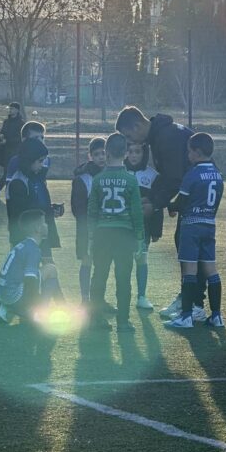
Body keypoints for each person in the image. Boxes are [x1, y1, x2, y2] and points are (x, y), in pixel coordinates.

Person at [115, 105, 197, 320]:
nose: (130, 139)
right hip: (193, 191)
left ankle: (193, 302)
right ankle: (191, 298)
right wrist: (158, 199)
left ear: (137, 125)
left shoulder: (165, 138)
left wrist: (156, 203)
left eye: (129, 134)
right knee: (185, 244)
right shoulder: (160, 134)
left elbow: (174, 178)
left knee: (188, 245)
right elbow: (169, 176)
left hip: (197, 192)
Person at [164, 132, 225, 330]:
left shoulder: (192, 174)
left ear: (197, 152)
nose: (188, 155)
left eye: (190, 151)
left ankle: (187, 316)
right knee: (211, 271)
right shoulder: (218, 174)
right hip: (209, 225)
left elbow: (180, 203)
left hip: (191, 226)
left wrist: (169, 206)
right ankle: (216, 316)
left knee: (189, 271)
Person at [87, 132, 145, 333]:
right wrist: (139, 238)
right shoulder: (130, 180)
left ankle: (96, 319)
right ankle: (123, 321)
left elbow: (92, 211)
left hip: (103, 233)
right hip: (124, 234)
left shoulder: (98, 179)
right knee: (123, 279)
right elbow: (137, 212)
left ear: (107, 152)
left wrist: (90, 236)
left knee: (99, 276)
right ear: (126, 153)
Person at [0, 210, 64, 325]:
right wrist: (32, 307)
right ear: (38, 228)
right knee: (51, 269)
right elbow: (30, 279)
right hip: (15, 296)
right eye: (44, 223)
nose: (47, 225)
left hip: (2, 294)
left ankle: (4, 307)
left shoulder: (22, 244)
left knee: (44, 271)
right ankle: (43, 312)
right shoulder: (33, 249)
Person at [124, 141, 163, 310]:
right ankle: (123, 296)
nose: (133, 155)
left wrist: (156, 230)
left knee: (141, 259)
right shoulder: (119, 172)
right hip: (122, 226)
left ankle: (141, 296)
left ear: (144, 153)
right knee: (123, 261)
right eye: (130, 151)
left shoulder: (152, 175)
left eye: (137, 152)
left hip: (143, 228)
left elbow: (157, 204)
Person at [7, 137, 61, 257]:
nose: (43, 165)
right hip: (28, 237)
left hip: (40, 233)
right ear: (29, 160)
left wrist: (51, 210)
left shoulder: (37, 178)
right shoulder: (18, 182)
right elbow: (21, 213)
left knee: (49, 267)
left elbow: (39, 203)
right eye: (40, 161)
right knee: (31, 270)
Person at [70, 137, 106, 305]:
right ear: (90, 156)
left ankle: (99, 299)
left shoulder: (111, 174)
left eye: (104, 153)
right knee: (87, 260)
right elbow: (78, 209)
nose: (101, 157)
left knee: (102, 265)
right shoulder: (82, 178)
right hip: (87, 229)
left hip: (106, 229)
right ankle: (85, 300)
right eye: (97, 154)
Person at [3, 121, 49, 199]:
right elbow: (9, 190)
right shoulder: (15, 161)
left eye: (42, 137)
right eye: (35, 138)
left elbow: (43, 185)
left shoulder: (47, 160)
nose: (40, 140)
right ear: (24, 140)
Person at [0, 102, 25, 197]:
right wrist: (0, 136)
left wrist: (8, 141)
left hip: (15, 150)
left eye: (13, 108)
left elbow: (20, 138)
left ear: (17, 110)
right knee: (7, 167)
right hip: (5, 149)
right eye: (10, 108)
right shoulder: (6, 122)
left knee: (8, 169)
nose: (10, 110)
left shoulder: (21, 123)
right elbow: (3, 132)